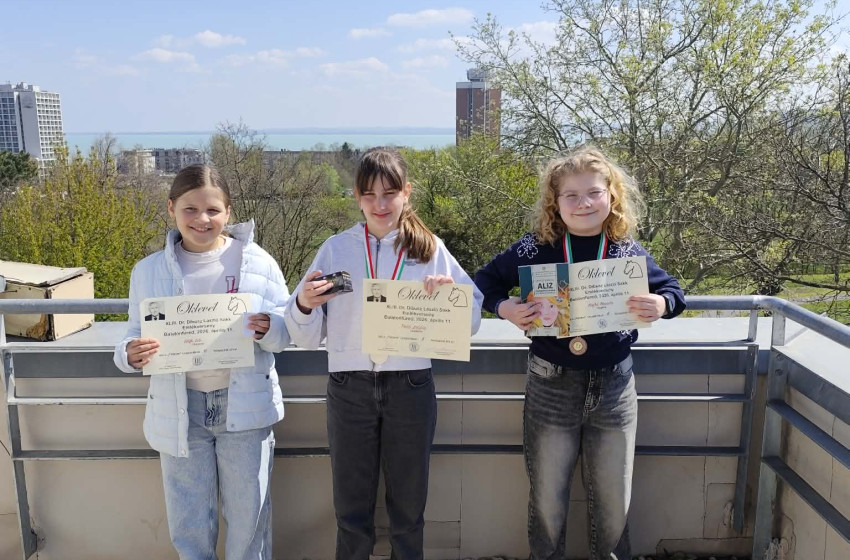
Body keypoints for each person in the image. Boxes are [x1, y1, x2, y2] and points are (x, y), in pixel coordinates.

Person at [474, 146, 686, 560]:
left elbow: (673, 290)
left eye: (593, 192)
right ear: (555, 202)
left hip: (615, 389)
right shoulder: (536, 247)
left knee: (613, 501)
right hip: (551, 386)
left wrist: (662, 304)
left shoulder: (626, 250)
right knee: (547, 499)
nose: (583, 203)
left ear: (612, 195)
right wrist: (505, 308)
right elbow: (484, 281)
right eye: (570, 195)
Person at [284, 147, 483, 560]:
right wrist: (302, 304)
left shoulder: (429, 249)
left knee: (408, 507)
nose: (379, 204)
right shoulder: (336, 250)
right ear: (356, 196)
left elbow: (473, 318)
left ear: (406, 193)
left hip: (410, 387)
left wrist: (451, 300)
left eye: (389, 193)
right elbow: (306, 336)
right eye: (369, 194)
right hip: (348, 387)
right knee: (350, 507)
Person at [113, 164, 291, 560]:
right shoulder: (147, 270)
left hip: (244, 405)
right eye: (190, 209)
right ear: (171, 209)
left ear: (228, 212)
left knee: (250, 518)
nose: (202, 219)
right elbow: (131, 335)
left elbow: (285, 332)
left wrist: (269, 328)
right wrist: (129, 354)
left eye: (213, 210)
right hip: (180, 410)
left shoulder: (259, 262)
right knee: (189, 521)